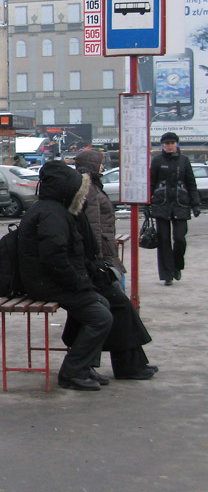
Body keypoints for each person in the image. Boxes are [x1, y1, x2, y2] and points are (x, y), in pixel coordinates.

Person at [18, 160, 113, 391]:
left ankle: (85, 365)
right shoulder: (53, 213)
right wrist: (79, 283)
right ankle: (72, 372)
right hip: (46, 283)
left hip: (49, 280)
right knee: (100, 317)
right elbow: (54, 258)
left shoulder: (52, 209)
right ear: (67, 189)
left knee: (102, 305)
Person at [74, 149, 156, 380]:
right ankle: (128, 366)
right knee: (120, 309)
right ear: (91, 166)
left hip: (104, 260)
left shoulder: (92, 186)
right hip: (100, 263)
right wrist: (99, 263)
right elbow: (93, 229)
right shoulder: (88, 189)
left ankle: (131, 365)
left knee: (119, 311)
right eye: (100, 164)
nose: (103, 167)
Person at [149, 132, 200, 285]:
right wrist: (146, 204)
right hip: (161, 205)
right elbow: (151, 183)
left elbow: (191, 183)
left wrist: (195, 203)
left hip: (181, 205)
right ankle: (167, 274)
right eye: (166, 143)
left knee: (179, 239)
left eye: (172, 143)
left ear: (177, 144)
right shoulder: (157, 161)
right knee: (163, 240)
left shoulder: (184, 161)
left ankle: (177, 266)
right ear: (162, 145)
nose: (169, 146)